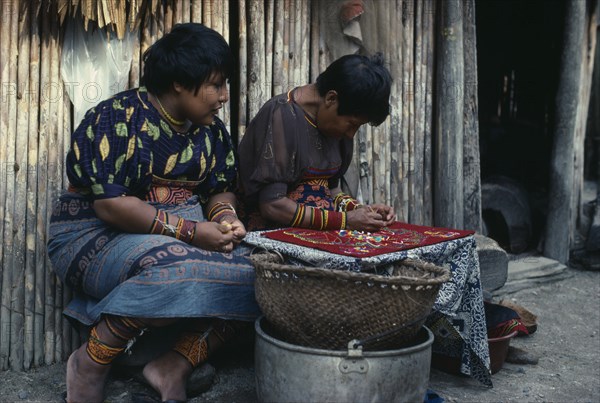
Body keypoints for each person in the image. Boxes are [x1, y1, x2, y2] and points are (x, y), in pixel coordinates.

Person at [47, 23, 259, 403]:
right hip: (92, 237)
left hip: (177, 235)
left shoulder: (212, 133)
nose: (225, 96)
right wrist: (194, 233)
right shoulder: (116, 118)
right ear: (179, 82)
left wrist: (225, 216)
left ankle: (173, 364)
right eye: (216, 84)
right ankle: (91, 362)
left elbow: (219, 189)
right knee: (172, 266)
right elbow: (110, 206)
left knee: (263, 277)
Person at [238, 53, 396, 232]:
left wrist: (362, 211)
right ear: (331, 99)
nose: (351, 135)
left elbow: (331, 190)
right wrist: (345, 220)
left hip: (318, 232)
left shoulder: (337, 130)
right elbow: (272, 206)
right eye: (352, 124)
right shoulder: (281, 116)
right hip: (271, 233)